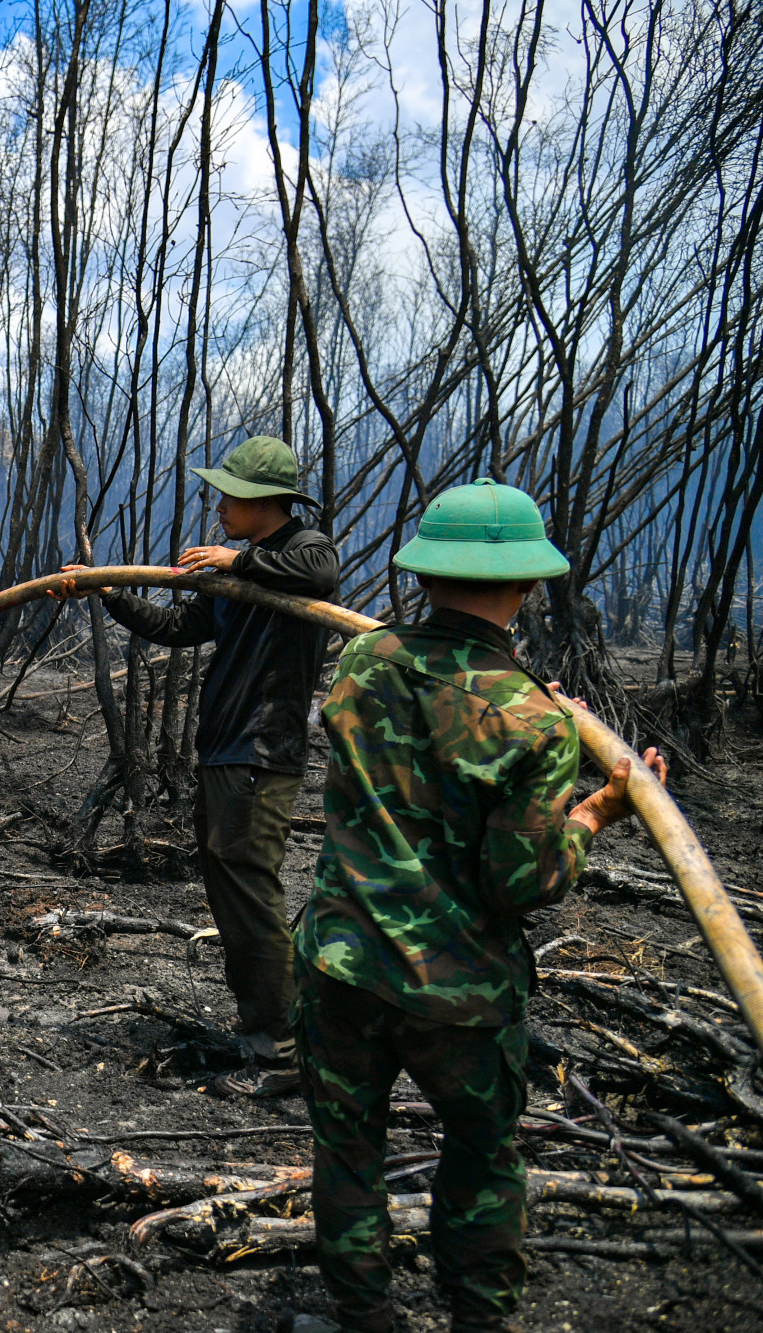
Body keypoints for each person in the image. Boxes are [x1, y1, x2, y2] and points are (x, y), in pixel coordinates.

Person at [295, 478, 665, 1333]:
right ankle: (478, 1319)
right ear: (528, 586)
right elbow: (521, 881)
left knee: (348, 1149)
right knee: (483, 1156)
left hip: (340, 965)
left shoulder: (363, 660)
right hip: (456, 991)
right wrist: (595, 810)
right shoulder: (537, 723)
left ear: (424, 574)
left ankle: (365, 1316)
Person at [70, 434, 340, 1098]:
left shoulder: (303, 548)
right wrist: (109, 591)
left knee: (250, 896)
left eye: (229, 497)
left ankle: (283, 1043)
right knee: (231, 893)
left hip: (260, 754)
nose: (218, 506)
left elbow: (319, 574)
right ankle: (263, 1027)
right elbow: (175, 626)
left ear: (261, 502)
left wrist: (240, 559)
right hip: (223, 753)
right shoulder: (238, 572)